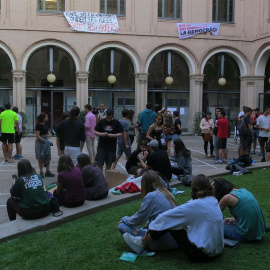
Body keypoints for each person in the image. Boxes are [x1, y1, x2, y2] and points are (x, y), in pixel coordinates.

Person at [124, 174, 224, 262]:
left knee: (168, 221)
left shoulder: (195, 205)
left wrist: (151, 227)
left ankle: (142, 243)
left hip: (201, 255)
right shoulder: (213, 200)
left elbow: (165, 217)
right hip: (217, 251)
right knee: (170, 220)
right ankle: (143, 241)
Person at [119, 170, 178, 251]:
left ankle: (142, 242)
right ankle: (141, 236)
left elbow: (138, 219)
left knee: (122, 225)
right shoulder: (168, 193)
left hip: (159, 240)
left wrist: (124, 219)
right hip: (174, 239)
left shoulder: (151, 196)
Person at [212, 178, 266, 242]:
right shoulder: (243, 190)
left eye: (211, 189)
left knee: (213, 226)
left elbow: (212, 216)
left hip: (246, 235)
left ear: (218, 190)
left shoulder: (227, 198)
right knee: (225, 223)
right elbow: (248, 213)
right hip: (259, 230)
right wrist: (233, 219)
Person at [35, 112, 55, 178]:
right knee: (40, 157)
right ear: (43, 118)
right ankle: (41, 172)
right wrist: (44, 141)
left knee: (47, 155)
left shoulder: (44, 124)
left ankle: (47, 171)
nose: (47, 118)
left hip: (45, 140)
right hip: (40, 142)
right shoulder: (38, 125)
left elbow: (47, 132)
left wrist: (49, 134)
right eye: (46, 117)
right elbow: (37, 135)